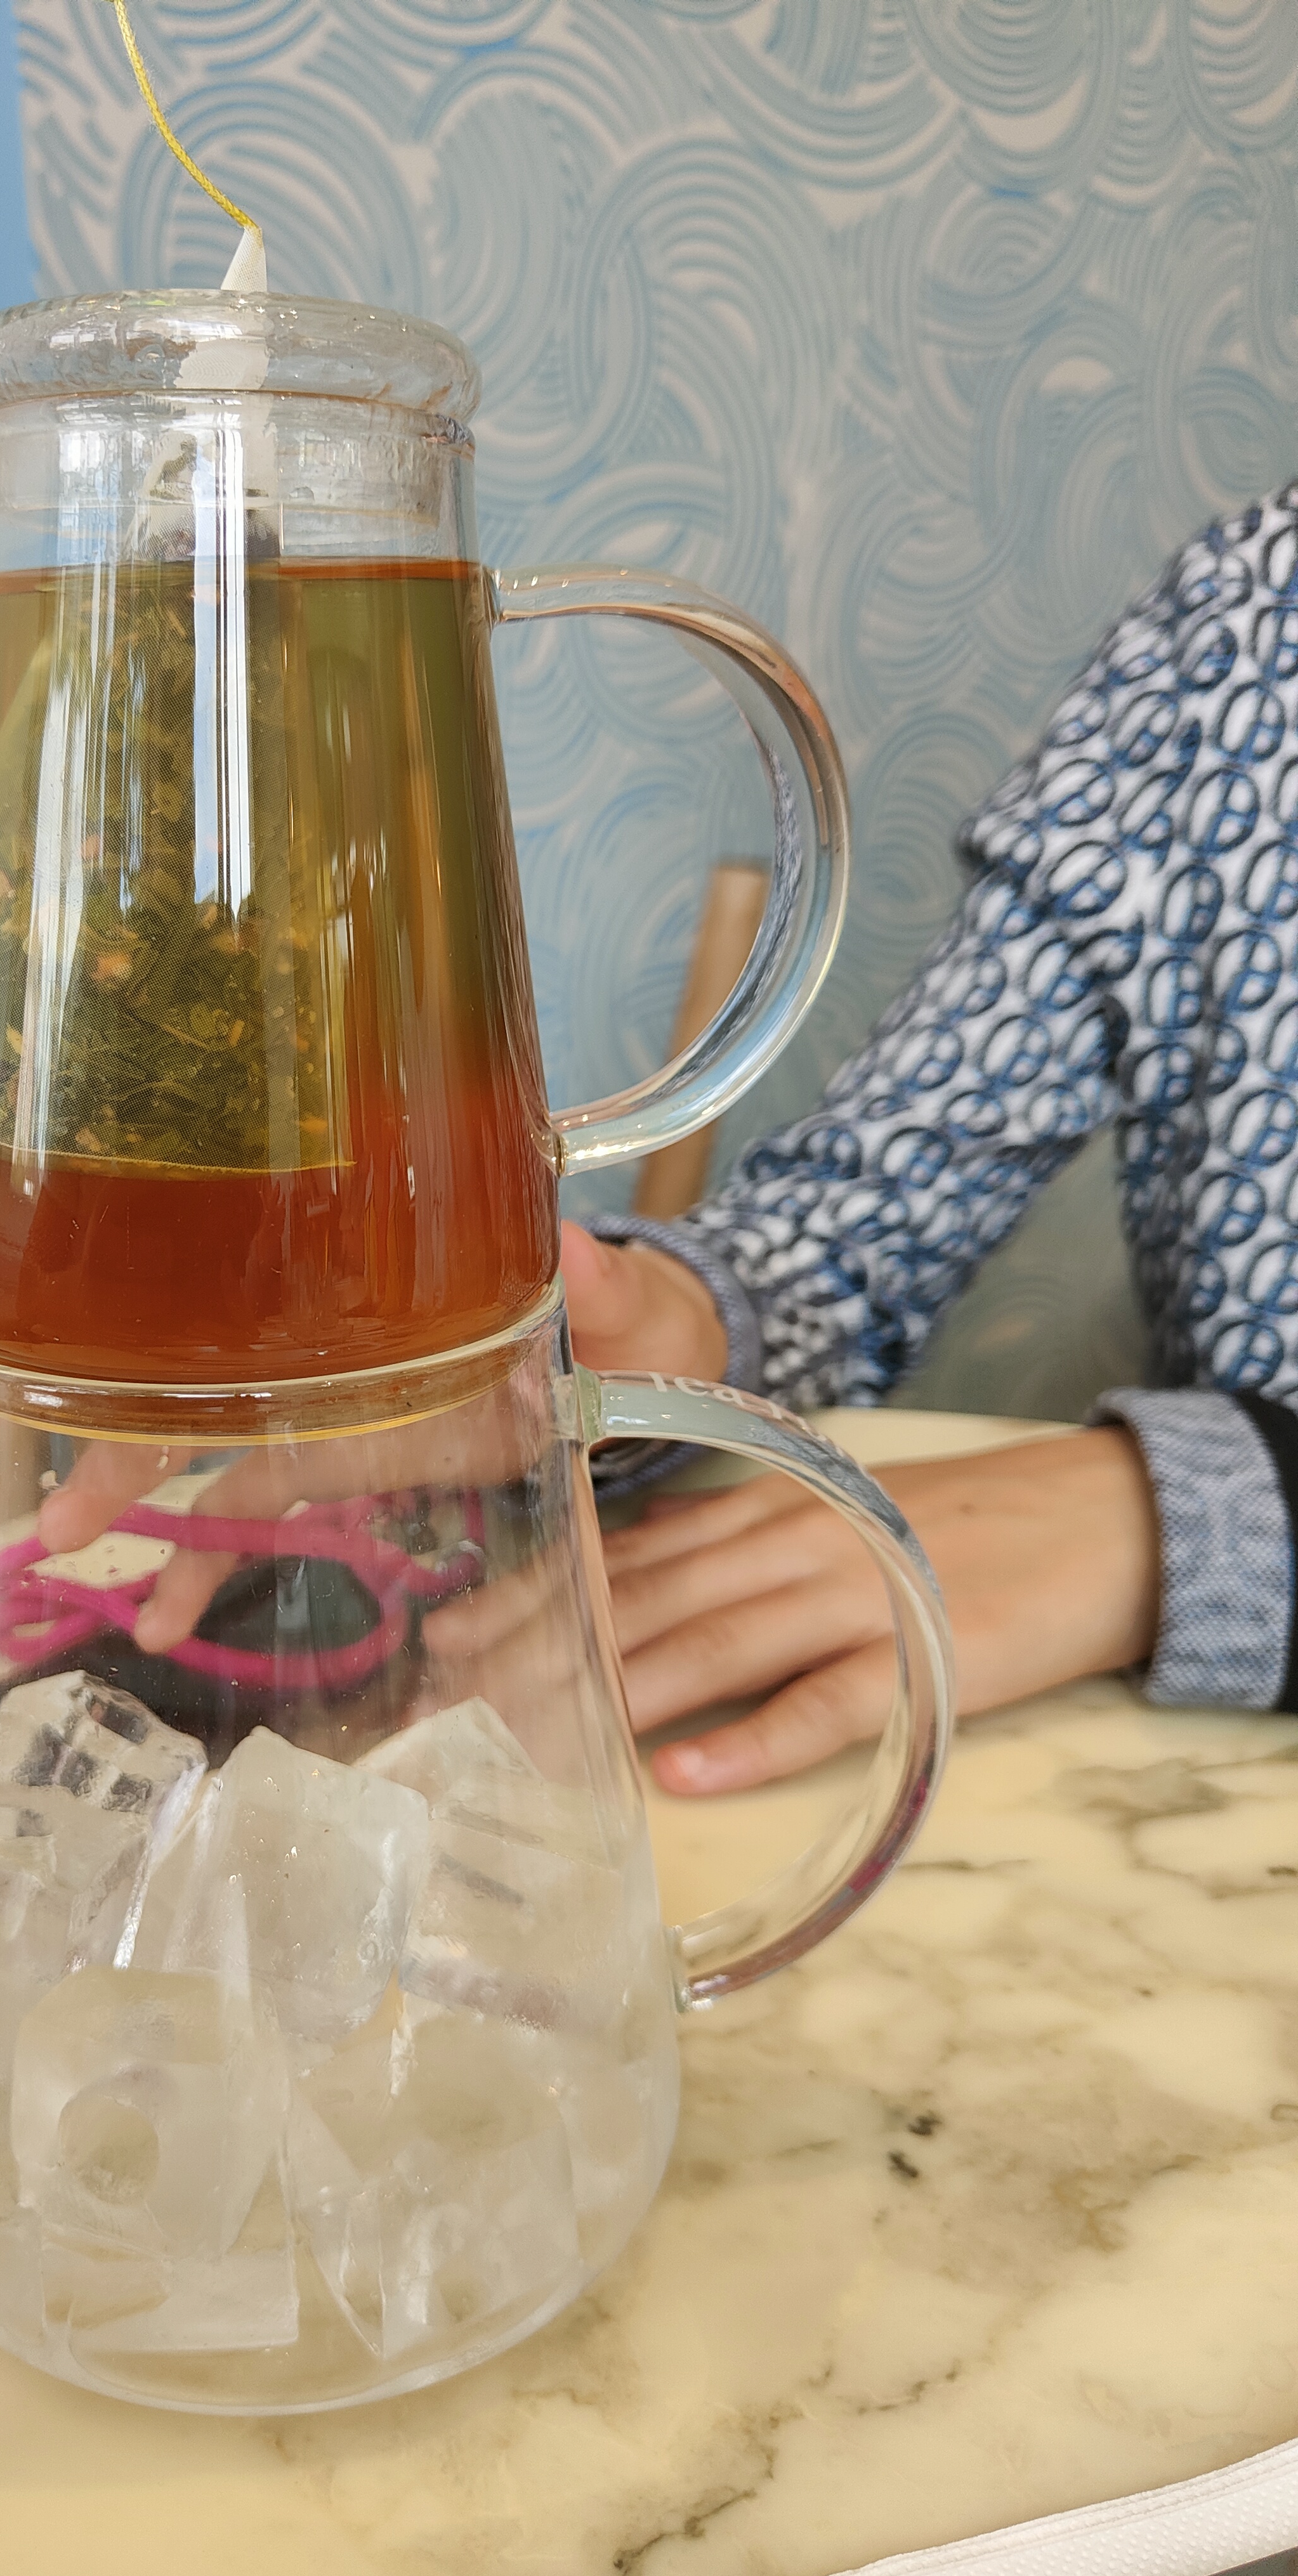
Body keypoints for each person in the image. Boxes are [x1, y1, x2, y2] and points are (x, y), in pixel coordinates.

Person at [553, 479, 1298, 1796]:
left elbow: (1216, 1516)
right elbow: (868, 1213)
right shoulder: (1251, 614)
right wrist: (685, 1313)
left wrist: (1205, 1518)